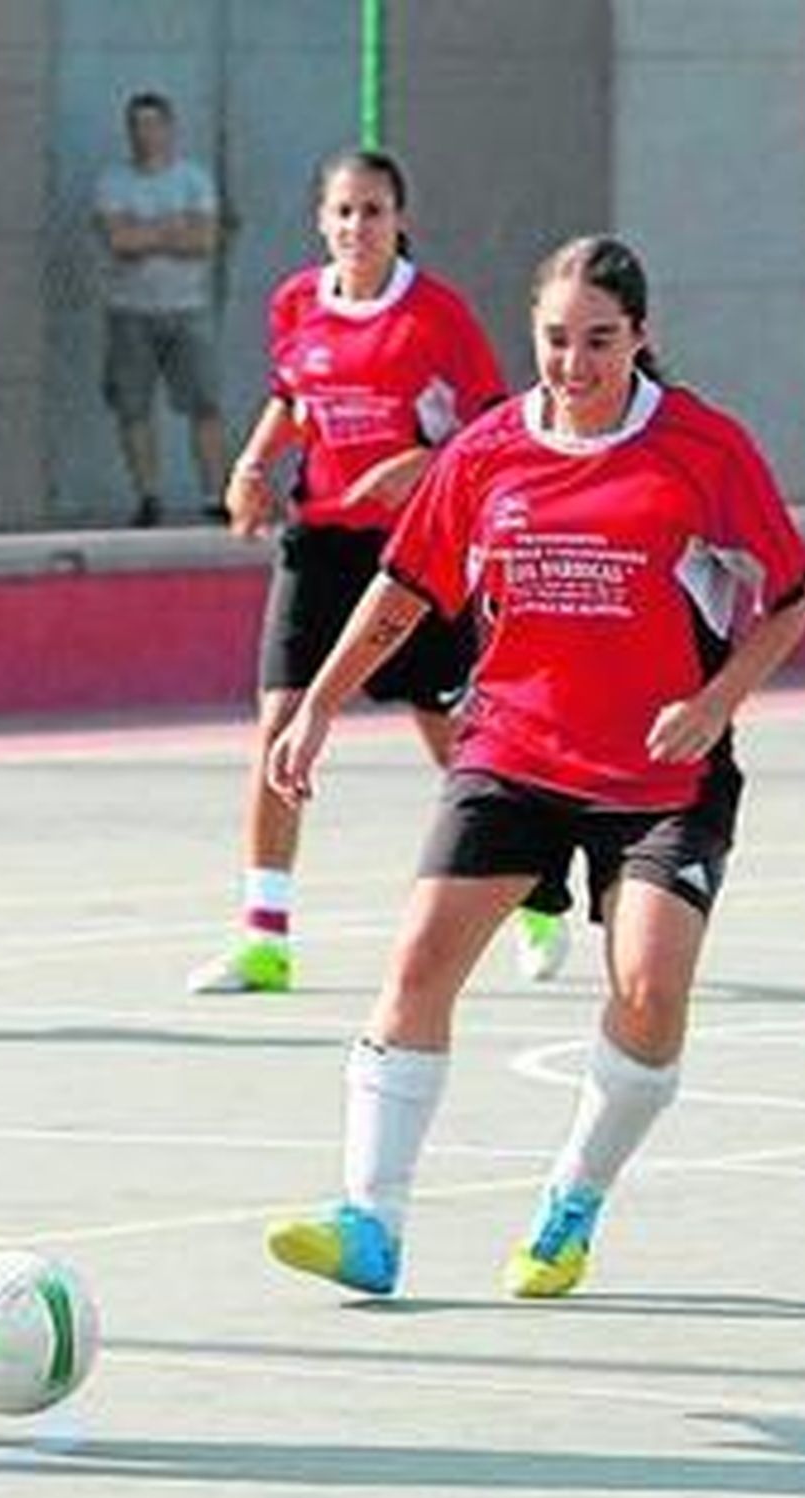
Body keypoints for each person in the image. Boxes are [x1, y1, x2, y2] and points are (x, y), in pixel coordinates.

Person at [263, 235, 805, 1298]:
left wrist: (713, 702)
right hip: (512, 749)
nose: (573, 362)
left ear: (640, 337)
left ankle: (572, 1199)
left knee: (648, 993)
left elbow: (790, 598)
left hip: (659, 774)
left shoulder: (701, 449)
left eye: (599, 340)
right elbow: (402, 591)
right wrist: (318, 709)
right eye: (555, 339)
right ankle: (368, 1220)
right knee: (419, 964)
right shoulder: (486, 450)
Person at [185, 148, 568, 996]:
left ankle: (538, 888)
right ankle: (265, 936)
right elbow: (293, 397)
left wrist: (418, 467)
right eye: (344, 211)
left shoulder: (435, 315)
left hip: (415, 552)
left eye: (374, 210)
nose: (358, 226)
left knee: (457, 741)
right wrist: (252, 463)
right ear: (322, 220)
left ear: (401, 219)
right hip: (319, 544)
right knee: (282, 723)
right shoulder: (296, 302)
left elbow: (494, 428)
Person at [94, 90, 226, 527]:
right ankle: (148, 496)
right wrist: (173, 230)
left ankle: (214, 495)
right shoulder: (113, 182)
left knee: (204, 403)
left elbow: (204, 243)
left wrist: (145, 232)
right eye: (137, 126)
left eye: (153, 125)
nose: (145, 135)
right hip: (130, 310)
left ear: (168, 129)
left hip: (187, 308)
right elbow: (118, 242)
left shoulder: (194, 180)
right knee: (133, 406)